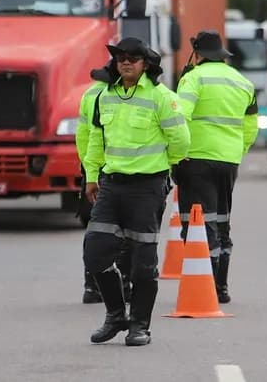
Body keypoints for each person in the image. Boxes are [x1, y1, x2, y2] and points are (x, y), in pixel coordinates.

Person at [82, 37, 189, 346]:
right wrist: (91, 176)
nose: (126, 62)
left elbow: (181, 140)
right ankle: (116, 315)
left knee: (143, 262)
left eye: (133, 57)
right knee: (95, 252)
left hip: (147, 187)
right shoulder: (105, 96)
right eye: (120, 57)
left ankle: (139, 325)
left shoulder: (161, 96)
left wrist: (161, 169)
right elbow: (95, 139)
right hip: (111, 185)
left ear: (146, 64)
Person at [172, 30, 258, 304]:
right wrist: (237, 151)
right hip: (228, 161)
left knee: (197, 223)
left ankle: (205, 284)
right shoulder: (243, 82)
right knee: (221, 220)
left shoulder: (192, 78)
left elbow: (179, 117)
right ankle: (221, 286)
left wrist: (177, 154)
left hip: (195, 159)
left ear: (198, 54)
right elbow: (250, 126)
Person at [75, 61, 131, 304]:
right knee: (127, 232)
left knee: (96, 230)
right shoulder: (126, 96)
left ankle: (92, 286)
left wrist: (89, 170)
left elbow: (83, 136)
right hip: (124, 172)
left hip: (93, 169)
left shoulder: (89, 94)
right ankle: (124, 285)